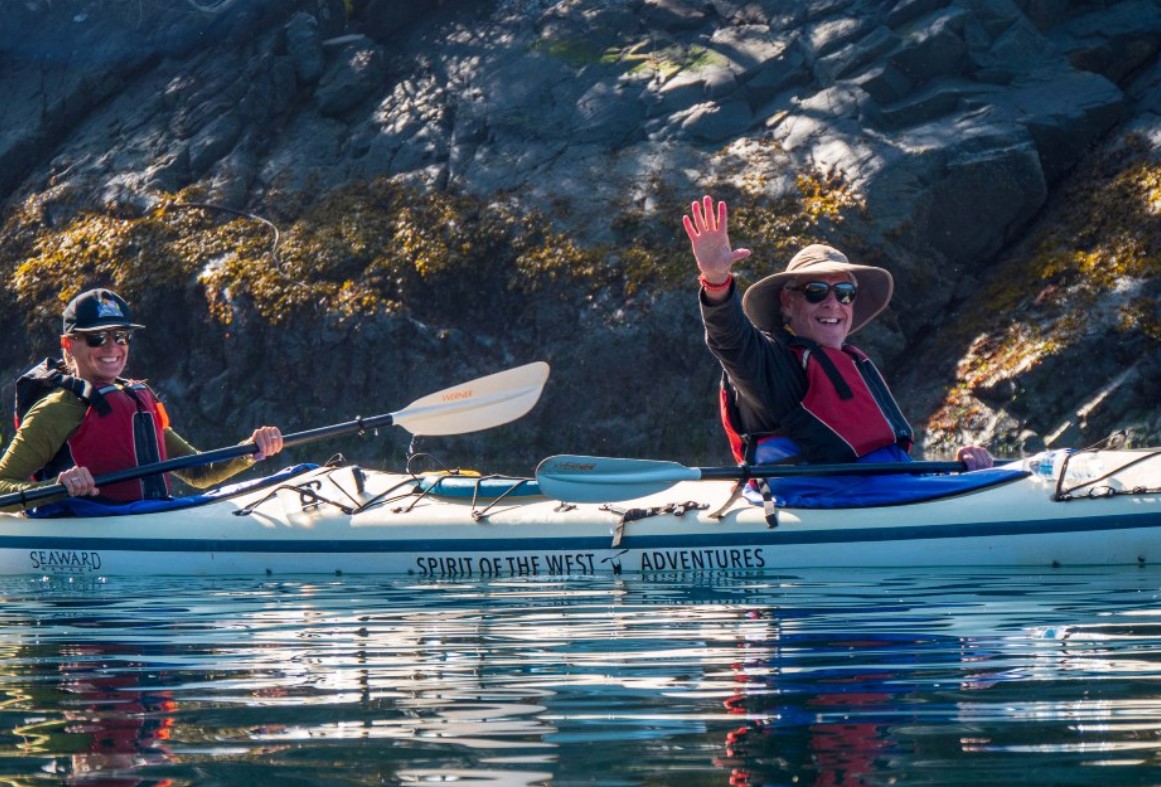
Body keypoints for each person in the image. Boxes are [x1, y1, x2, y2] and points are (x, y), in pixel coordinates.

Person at [682, 195, 993, 472]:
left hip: (885, 492)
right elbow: (730, 338)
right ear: (787, 304)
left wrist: (961, 468)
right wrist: (716, 280)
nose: (833, 304)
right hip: (820, 500)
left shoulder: (852, 363)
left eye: (844, 293)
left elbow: (889, 464)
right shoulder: (773, 364)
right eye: (816, 291)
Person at [0, 288, 284, 510]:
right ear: (69, 344)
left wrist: (251, 449)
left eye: (121, 336)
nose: (113, 347)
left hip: (145, 518)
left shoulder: (134, 399)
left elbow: (200, 472)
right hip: (87, 531)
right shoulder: (56, 411)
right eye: (97, 338)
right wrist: (55, 486)